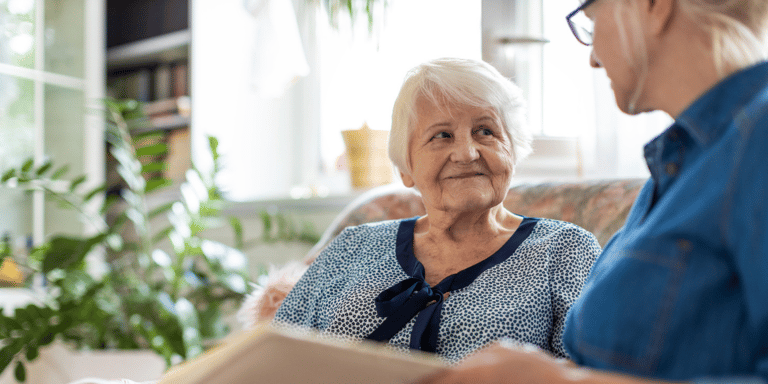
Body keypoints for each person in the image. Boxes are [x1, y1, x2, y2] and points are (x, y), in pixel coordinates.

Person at [418, 0, 768, 382]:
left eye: (590, 21)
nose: (593, 60)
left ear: (652, 6)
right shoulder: (675, 168)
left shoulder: (758, 139)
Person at [272, 57, 601, 363]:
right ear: (406, 168)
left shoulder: (564, 250)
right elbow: (274, 356)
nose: (467, 152)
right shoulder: (352, 247)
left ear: (513, 151)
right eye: (441, 136)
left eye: (485, 131)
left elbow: (594, 373)